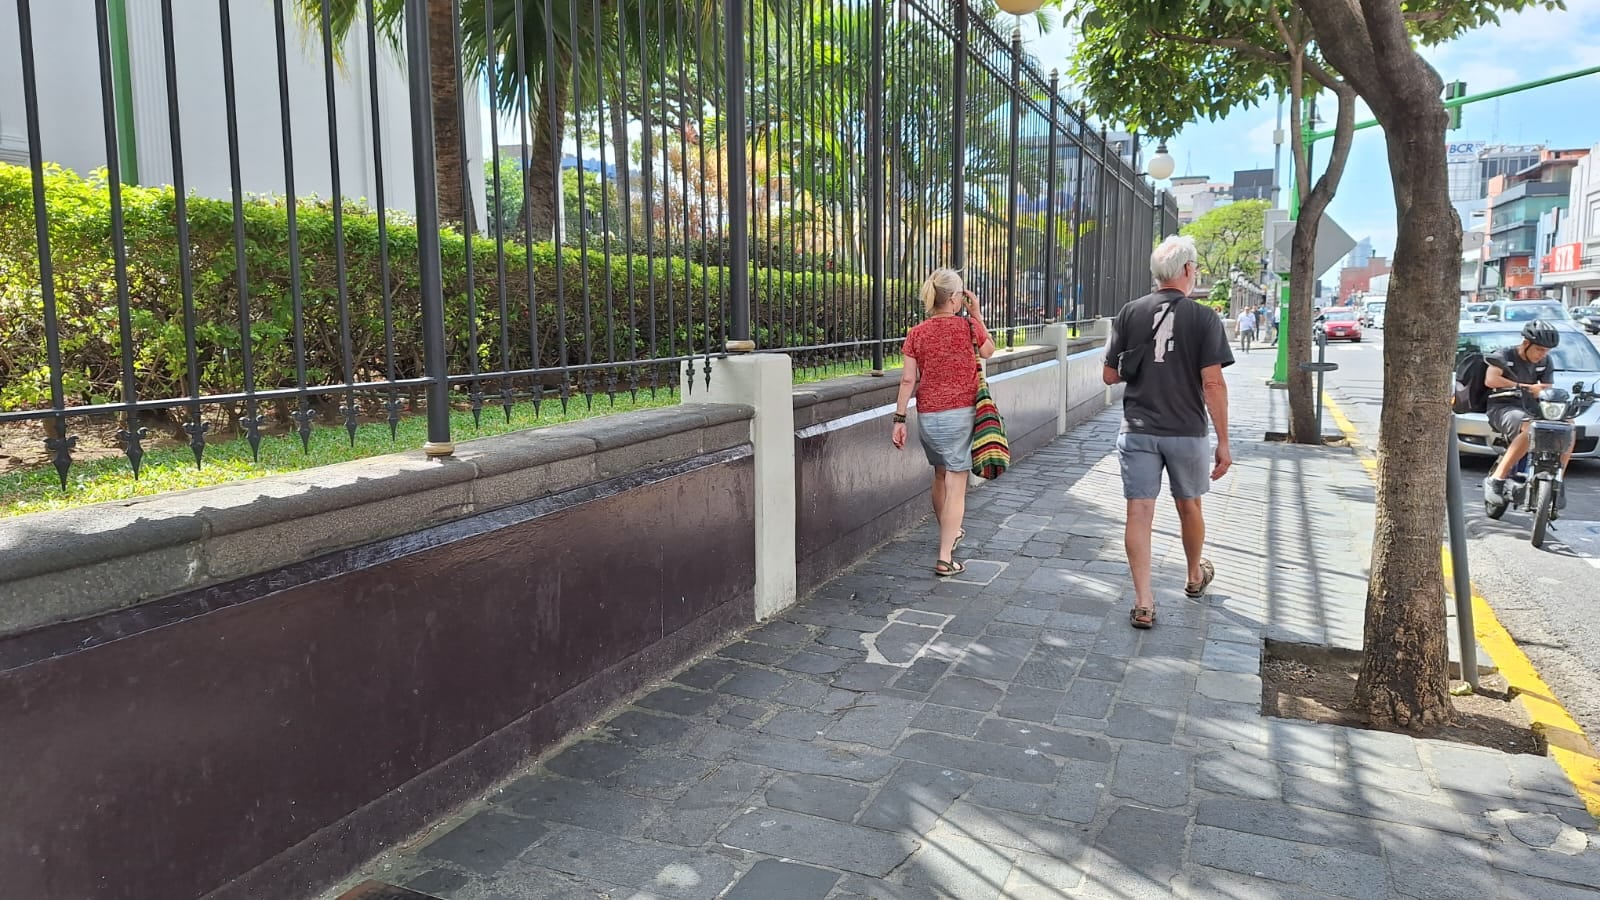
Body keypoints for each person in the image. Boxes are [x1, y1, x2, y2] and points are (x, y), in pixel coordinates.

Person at [1102, 235, 1234, 629]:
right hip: (1186, 430)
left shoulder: (1130, 312)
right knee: (1189, 505)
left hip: (1139, 428)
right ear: (1188, 270)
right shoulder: (1205, 317)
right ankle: (1194, 576)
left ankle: (1144, 601)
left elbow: (1110, 374)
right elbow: (1212, 384)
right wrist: (1224, 442)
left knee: (1138, 512)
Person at [892, 268, 997, 576]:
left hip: (928, 417)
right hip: (960, 414)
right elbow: (989, 350)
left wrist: (899, 419)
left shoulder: (917, 333)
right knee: (956, 483)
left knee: (940, 475)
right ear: (955, 298)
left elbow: (908, 379)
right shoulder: (968, 327)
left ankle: (949, 533)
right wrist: (977, 314)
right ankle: (944, 557)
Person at [1485, 320, 1574, 510]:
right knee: (1530, 428)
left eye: (1547, 351)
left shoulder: (1545, 361)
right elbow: (1491, 379)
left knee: (1569, 427)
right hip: (1503, 406)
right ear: (1526, 344)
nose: (1543, 354)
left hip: (1533, 408)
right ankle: (1497, 479)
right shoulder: (1504, 355)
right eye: (1540, 349)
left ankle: (1558, 479)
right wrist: (1524, 387)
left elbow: (1547, 387)